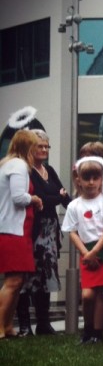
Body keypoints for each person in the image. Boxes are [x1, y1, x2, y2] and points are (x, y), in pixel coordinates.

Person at [16, 129, 71, 336]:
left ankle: (43, 323)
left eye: (47, 146)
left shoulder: (50, 170)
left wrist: (60, 198)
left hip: (50, 232)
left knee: (47, 276)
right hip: (32, 231)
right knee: (28, 277)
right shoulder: (26, 171)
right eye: (40, 146)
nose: (45, 150)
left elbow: (64, 197)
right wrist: (55, 196)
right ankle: (24, 325)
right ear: (30, 147)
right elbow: (38, 198)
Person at [61, 156, 103, 344]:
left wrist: (95, 251)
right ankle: (87, 329)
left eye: (96, 178)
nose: (91, 182)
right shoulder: (74, 205)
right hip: (85, 251)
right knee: (87, 295)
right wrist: (86, 253)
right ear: (78, 179)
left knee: (99, 294)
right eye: (87, 178)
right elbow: (72, 231)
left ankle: (97, 332)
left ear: (101, 179)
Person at [0, 130, 43, 339]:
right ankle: (1, 326)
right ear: (28, 147)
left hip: (17, 229)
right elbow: (18, 197)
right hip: (13, 230)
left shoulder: (8, 164)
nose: (39, 150)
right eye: (36, 146)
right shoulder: (18, 166)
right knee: (13, 281)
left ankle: (7, 326)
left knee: (17, 281)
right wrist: (34, 199)